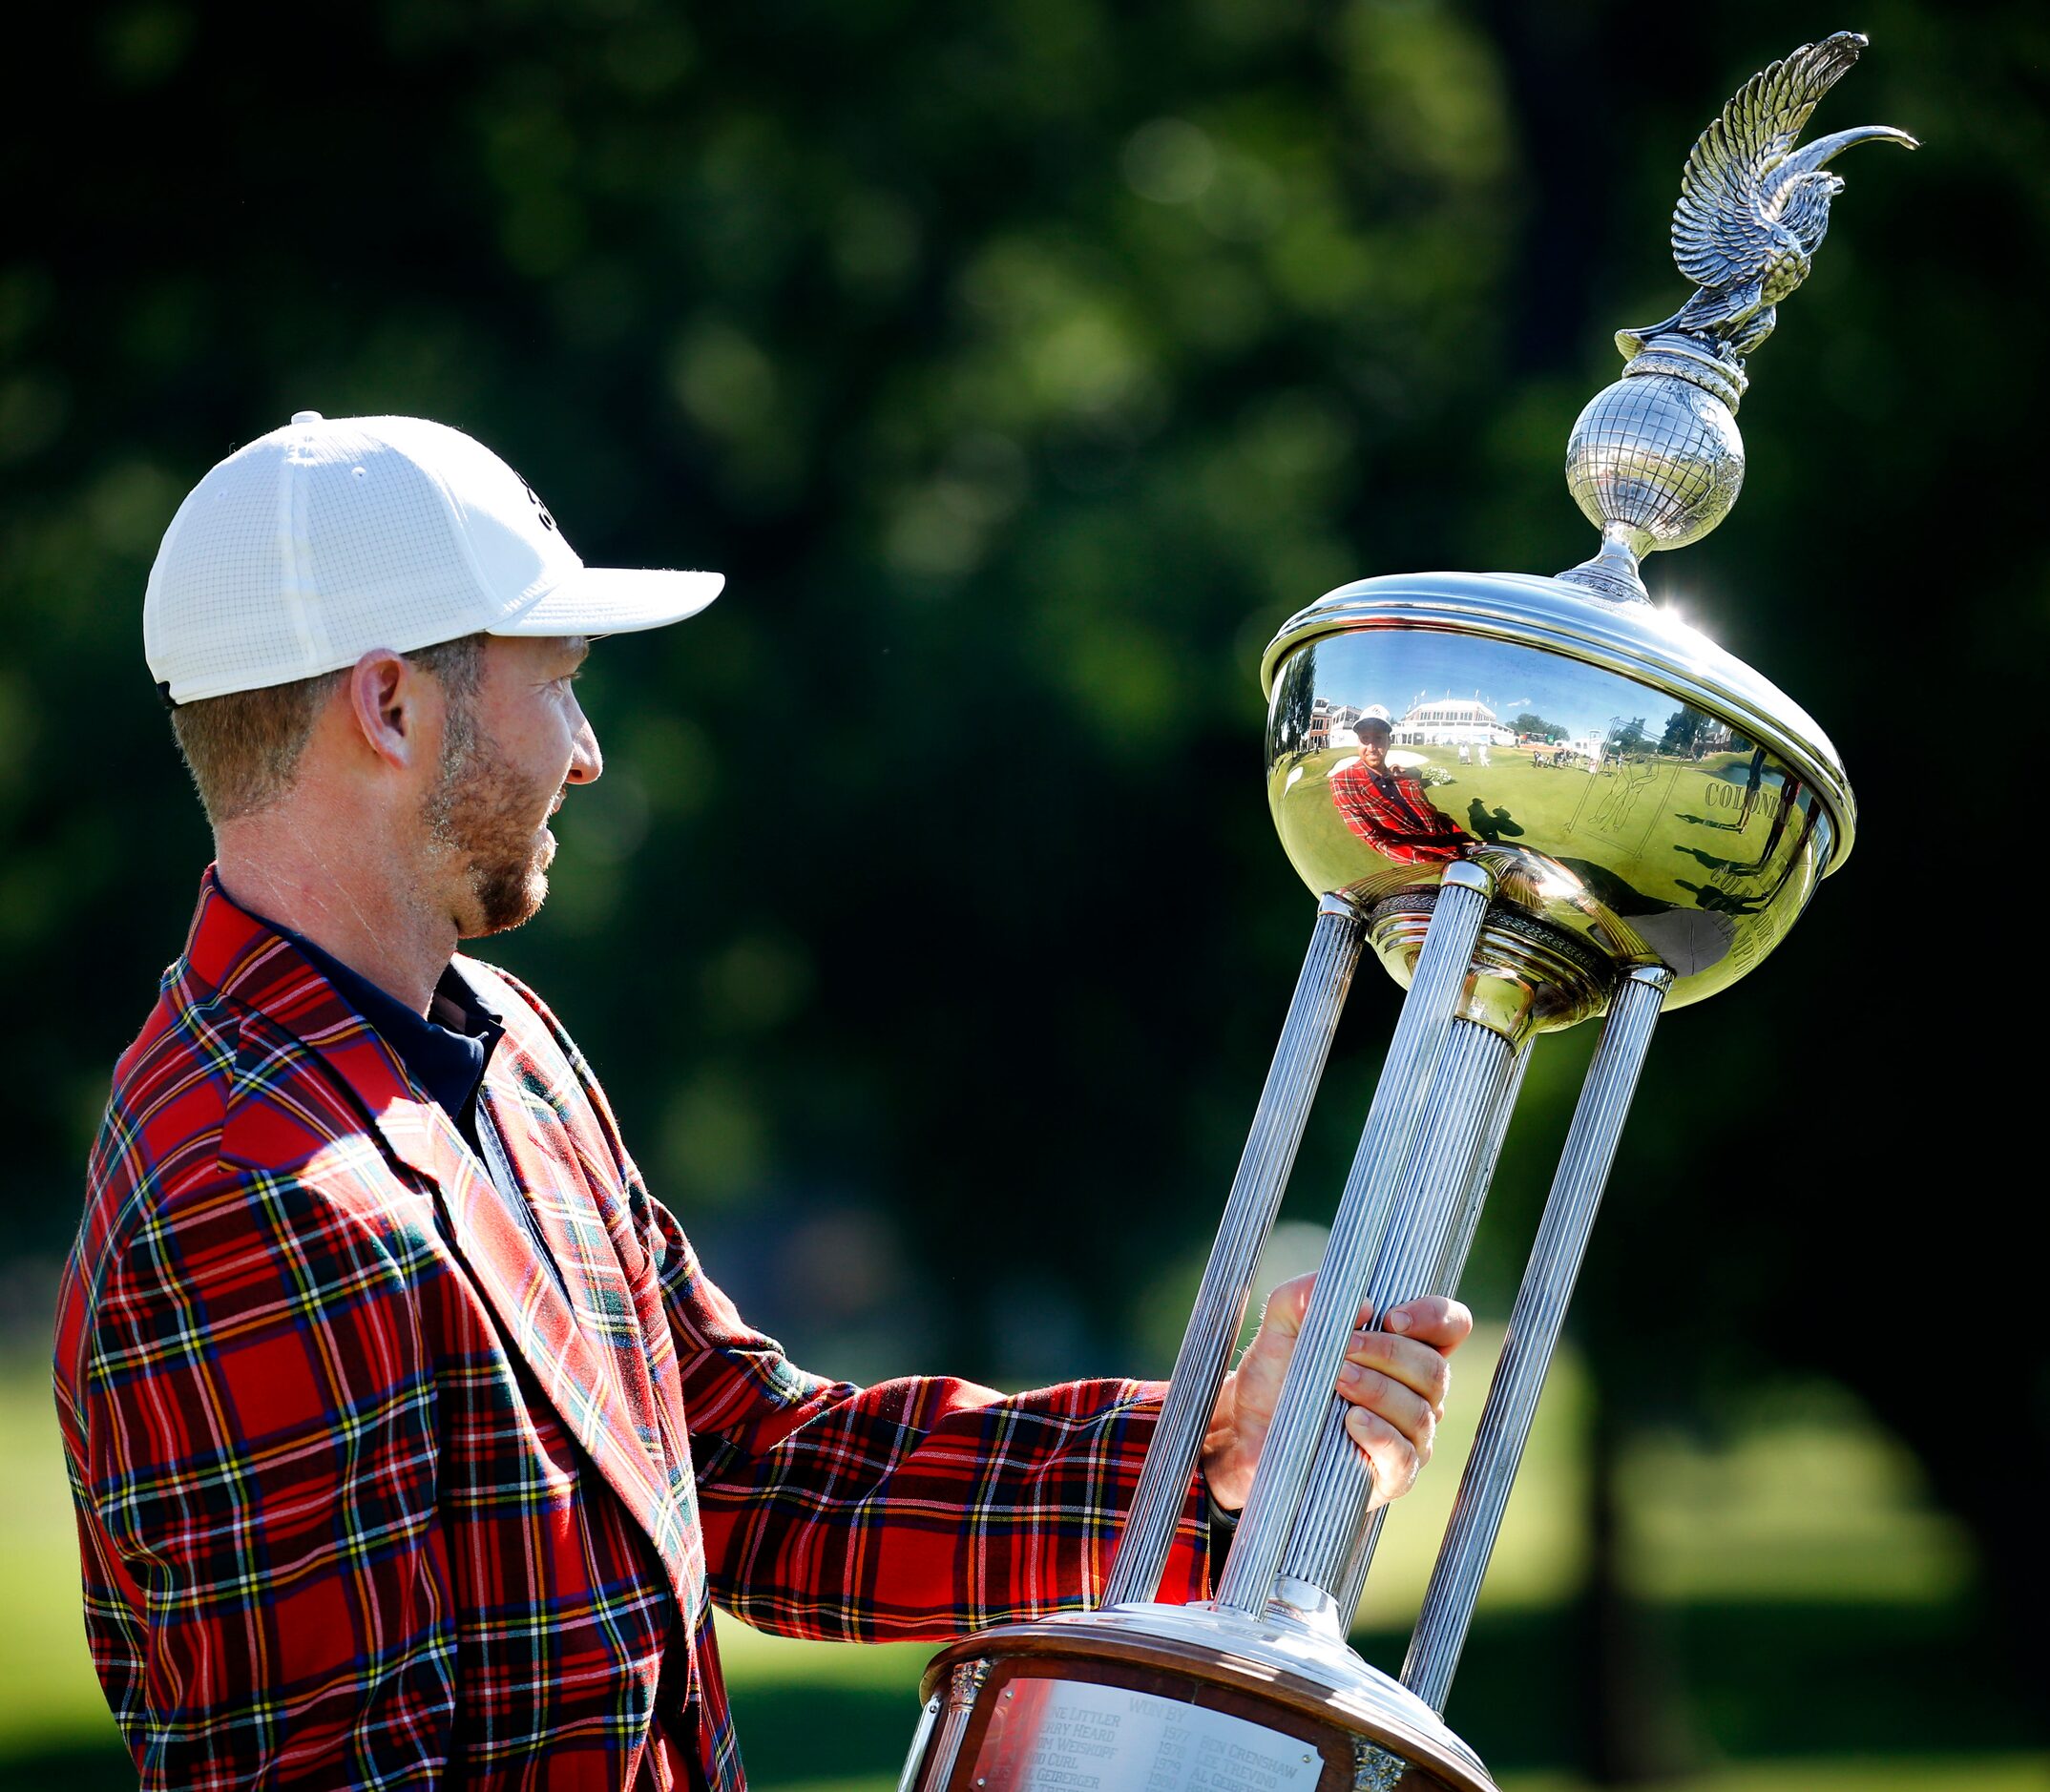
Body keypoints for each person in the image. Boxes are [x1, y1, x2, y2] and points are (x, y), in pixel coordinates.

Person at [52, 415, 1472, 1792]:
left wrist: (1209, 1448)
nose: (588, 750)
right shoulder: (242, 1197)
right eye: (554, 681)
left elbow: (756, 1469)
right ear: (389, 705)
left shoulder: (503, 1041)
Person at [1328, 714, 1472, 865]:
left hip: (1458, 848)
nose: (1371, 748)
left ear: (1389, 742)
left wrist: (1465, 838)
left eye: (1378, 738)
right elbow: (1376, 839)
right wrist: (1431, 861)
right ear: (1358, 742)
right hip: (1432, 861)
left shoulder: (1406, 780)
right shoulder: (1343, 783)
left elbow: (1436, 817)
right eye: (1365, 739)